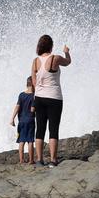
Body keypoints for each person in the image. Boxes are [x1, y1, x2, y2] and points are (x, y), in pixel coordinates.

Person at [31, 35, 71, 167]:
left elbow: (34, 82)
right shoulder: (55, 58)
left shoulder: (35, 61)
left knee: (40, 129)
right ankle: (53, 160)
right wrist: (66, 52)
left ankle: (39, 160)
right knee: (53, 129)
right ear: (51, 46)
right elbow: (68, 62)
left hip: (39, 98)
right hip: (54, 98)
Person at [10, 77, 35, 164]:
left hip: (21, 121)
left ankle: (21, 160)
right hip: (30, 120)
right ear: (33, 85)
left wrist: (12, 118)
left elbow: (17, 107)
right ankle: (31, 160)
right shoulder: (33, 96)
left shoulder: (21, 95)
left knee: (21, 140)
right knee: (30, 141)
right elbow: (32, 109)